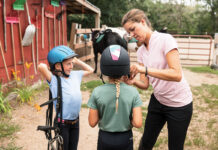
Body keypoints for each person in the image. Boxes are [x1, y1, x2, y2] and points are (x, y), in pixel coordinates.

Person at [121, 9, 193, 150]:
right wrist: (134, 82)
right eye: (128, 33)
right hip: (158, 101)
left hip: (179, 105)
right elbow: (145, 84)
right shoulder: (141, 51)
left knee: (175, 147)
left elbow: (177, 74)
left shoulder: (165, 40)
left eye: (132, 29)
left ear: (142, 21)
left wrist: (145, 69)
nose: (131, 35)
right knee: (146, 143)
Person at [37, 45, 94, 150]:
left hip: (75, 122)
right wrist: (52, 68)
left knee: (73, 148)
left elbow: (91, 70)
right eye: (68, 64)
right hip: (62, 124)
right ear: (58, 66)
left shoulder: (75, 75)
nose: (71, 66)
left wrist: (77, 61)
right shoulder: (53, 80)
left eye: (72, 63)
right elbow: (41, 66)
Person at [87, 45, 143, 150]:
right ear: (126, 68)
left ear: (104, 69)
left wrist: (105, 115)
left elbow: (92, 122)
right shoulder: (133, 92)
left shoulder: (97, 92)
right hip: (125, 138)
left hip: (105, 138)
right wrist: (126, 119)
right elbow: (138, 123)